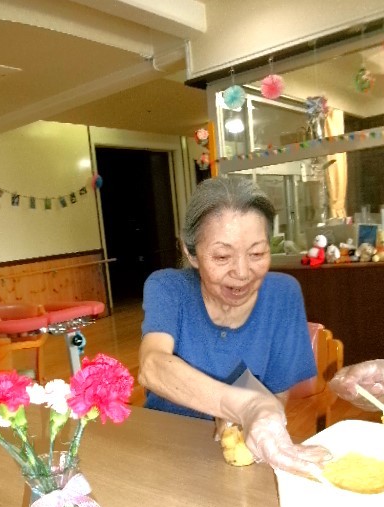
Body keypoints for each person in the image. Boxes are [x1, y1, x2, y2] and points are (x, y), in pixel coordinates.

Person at [139, 176, 329, 474]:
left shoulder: (282, 294)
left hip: (239, 459)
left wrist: (245, 417)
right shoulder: (168, 288)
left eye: (257, 254)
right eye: (222, 256)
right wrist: (240, 405)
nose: (242, 273)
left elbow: (275, 398)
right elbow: (152, 365)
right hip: (164, 448)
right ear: (190, 253)